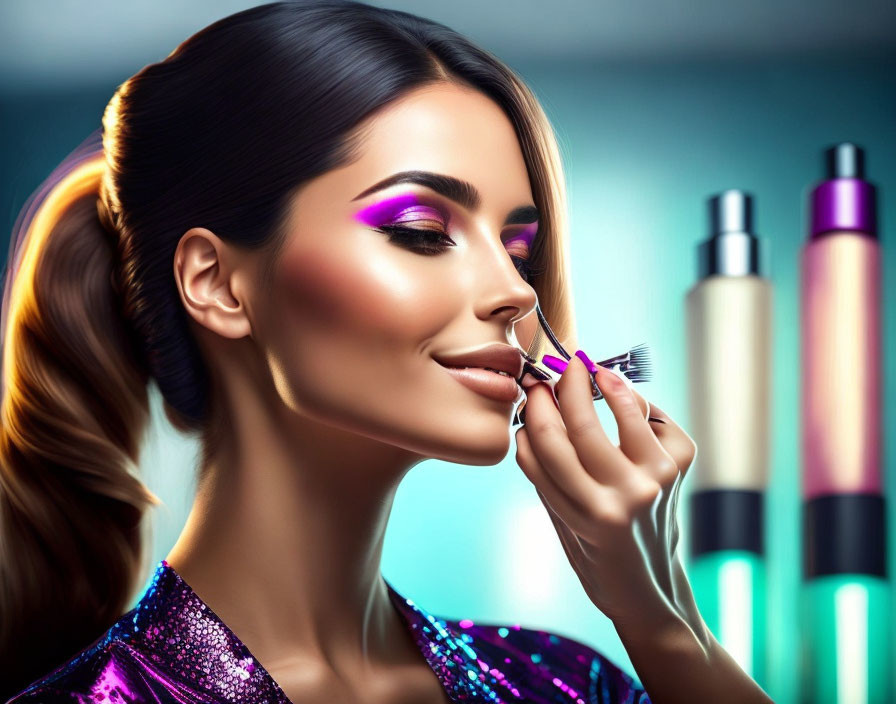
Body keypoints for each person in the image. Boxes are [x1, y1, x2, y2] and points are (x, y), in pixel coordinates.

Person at [0, 2, 773, 702]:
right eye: (423, 232)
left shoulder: (565, 686)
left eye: (519, 249)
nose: (516, 294)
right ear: (220, 286)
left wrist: (667, 623)